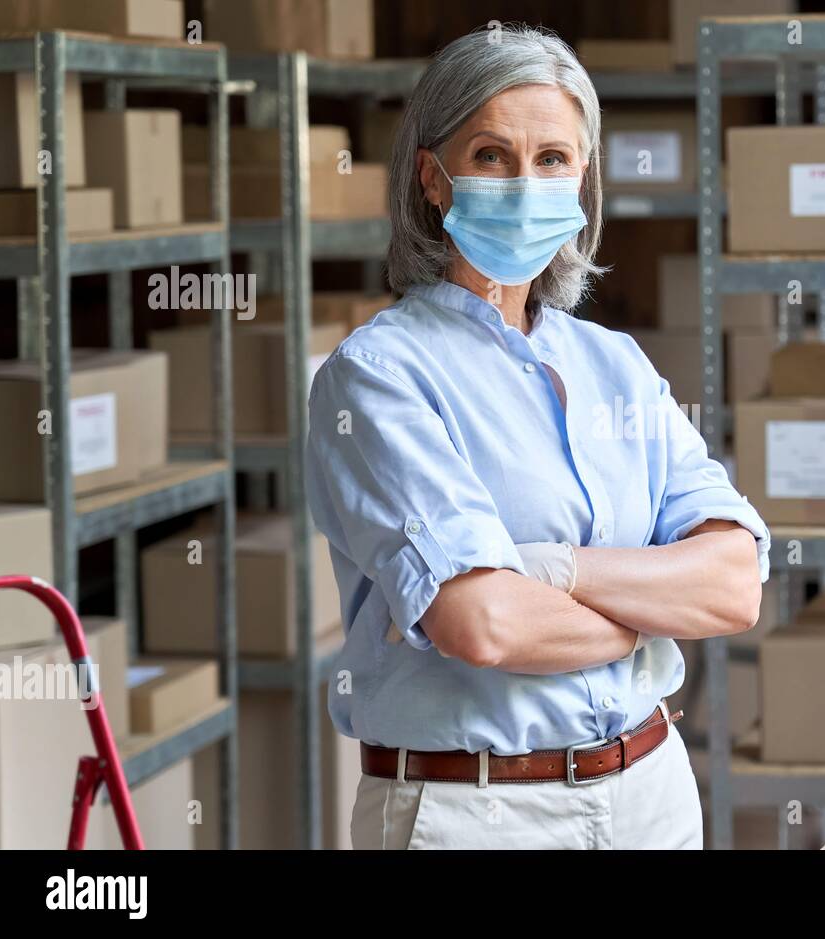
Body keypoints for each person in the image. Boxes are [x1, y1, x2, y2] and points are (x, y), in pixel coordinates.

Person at [305, 24, 769, 850]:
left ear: (583, 178)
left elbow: (734, 583)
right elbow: (484, 624)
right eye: (491, 155)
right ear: (433, 178)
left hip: (651, 794)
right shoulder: (377, 375)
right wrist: (649, 613)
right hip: (477, 810)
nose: (526, 183)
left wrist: (550, 567)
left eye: (552, 159)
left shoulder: (615, 366)